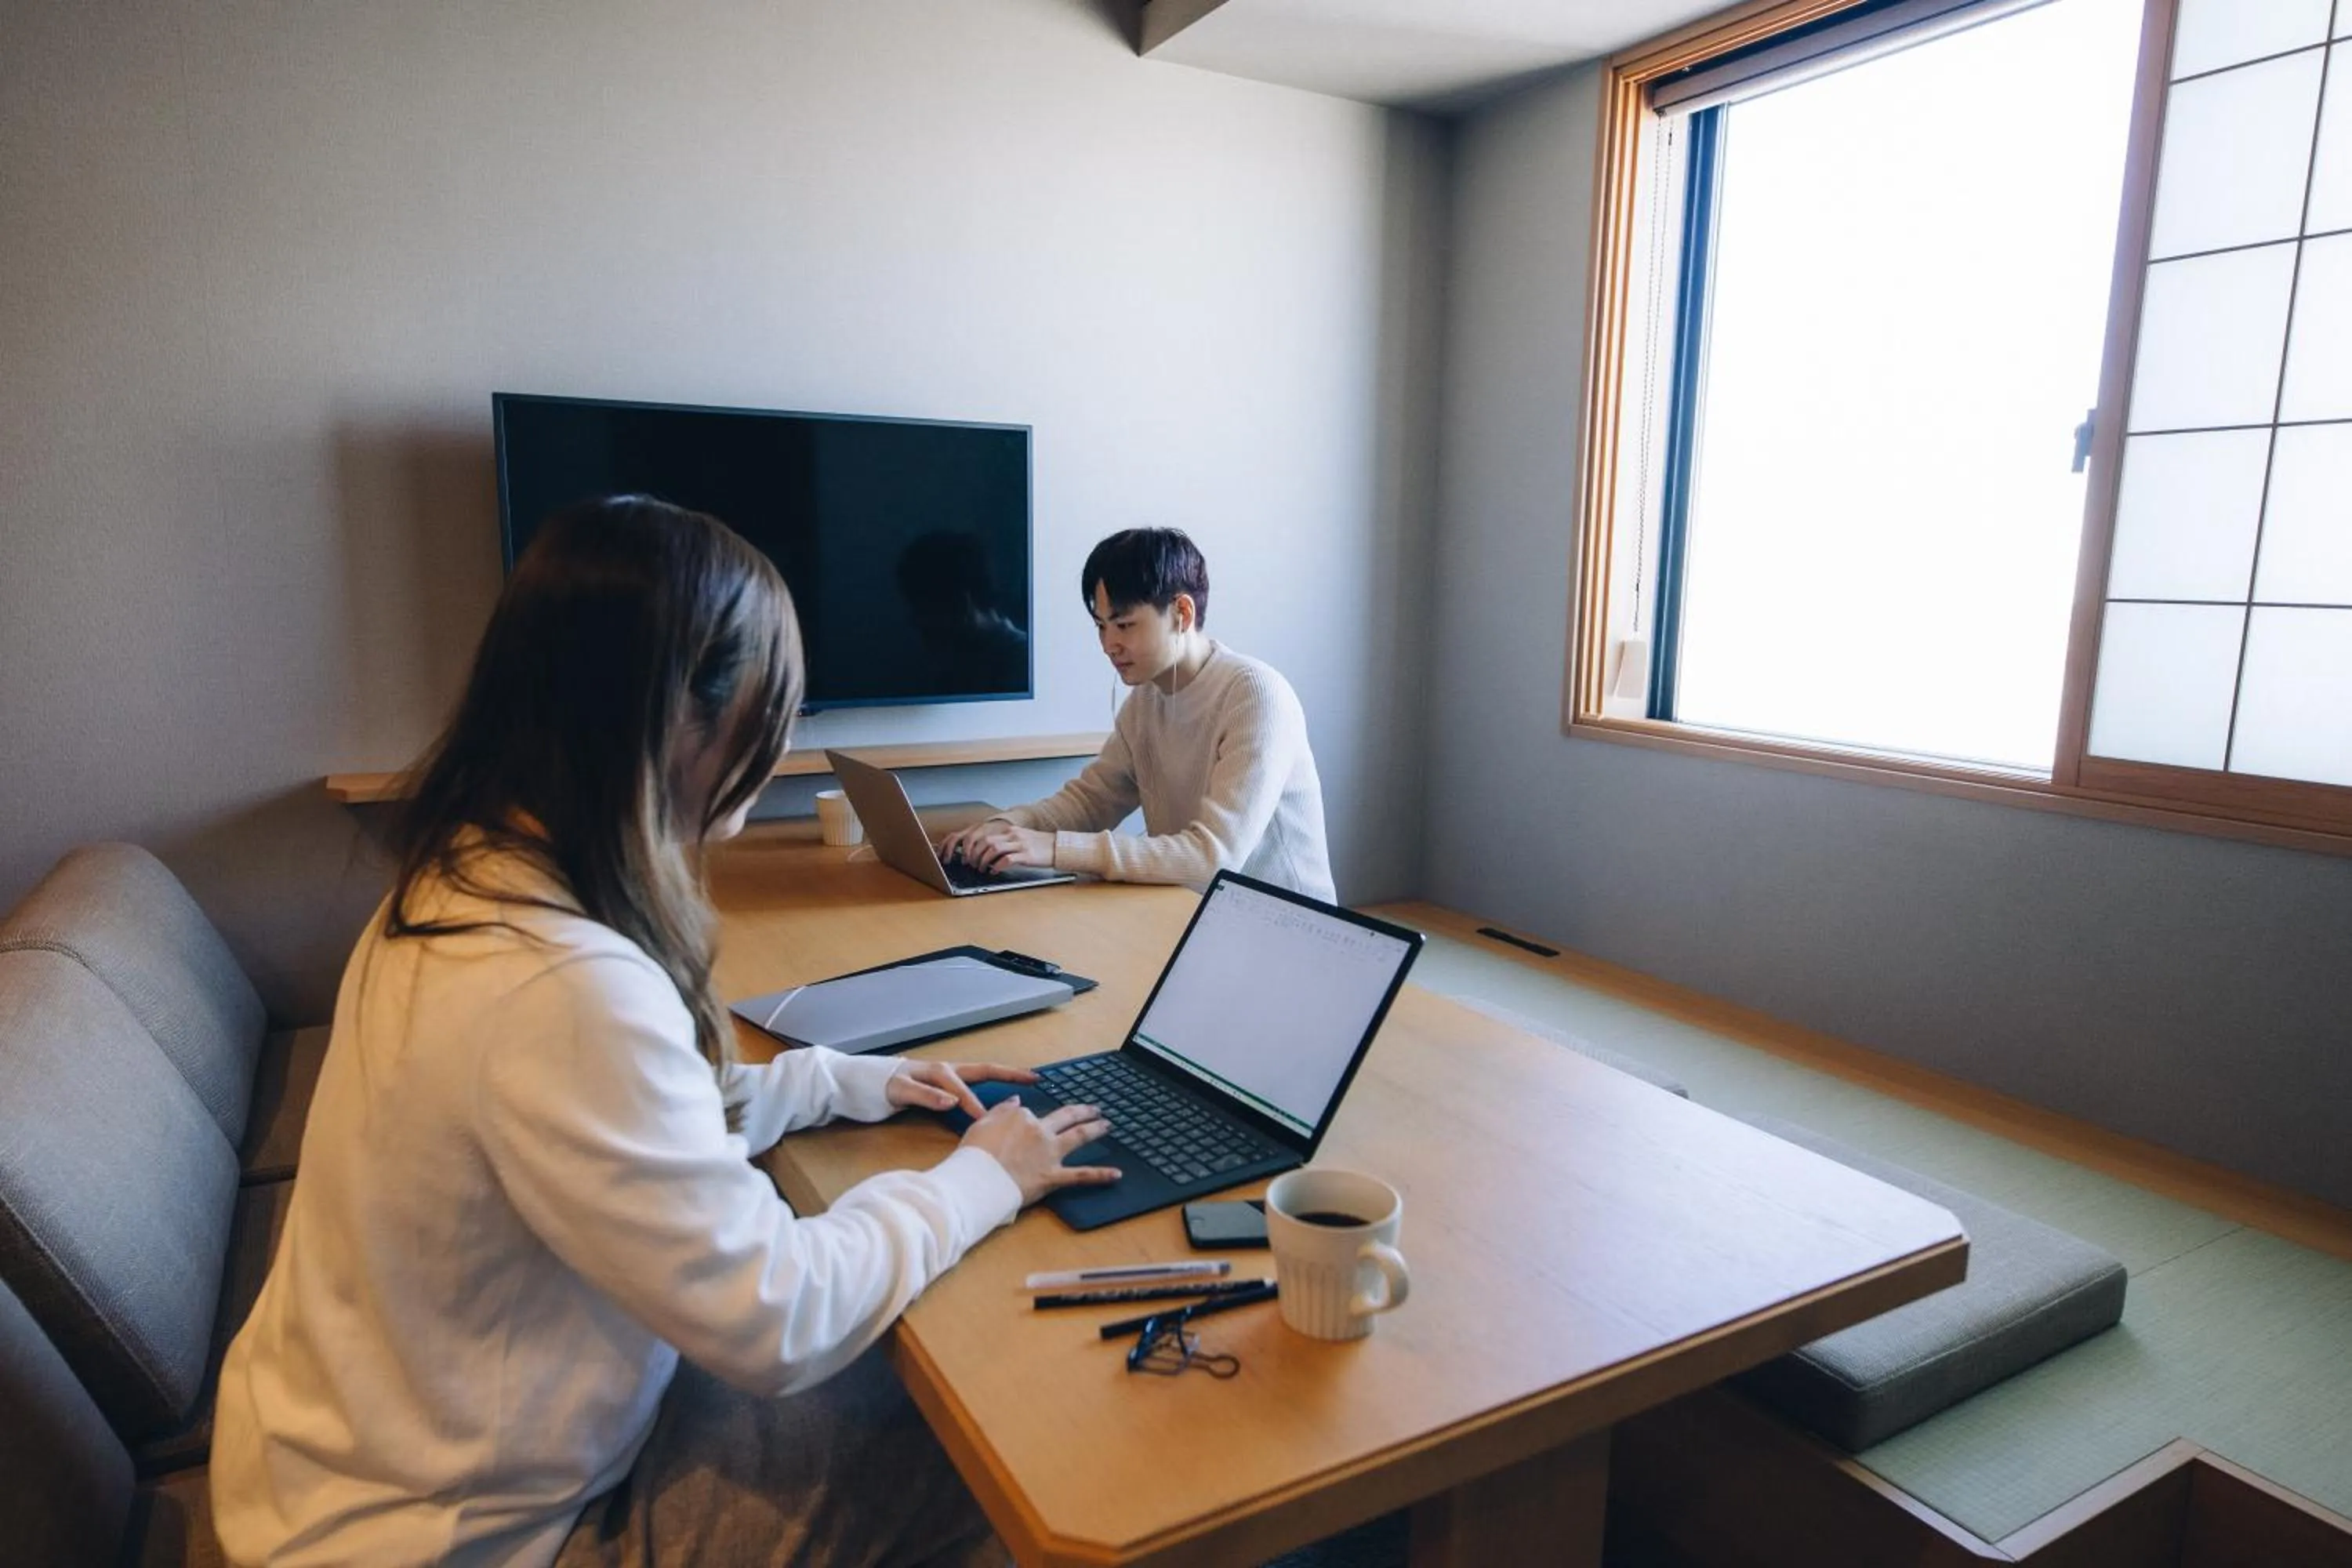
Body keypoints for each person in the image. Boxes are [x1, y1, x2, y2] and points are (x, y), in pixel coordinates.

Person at [210, 495, 1116, 1568]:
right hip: (450, 1538)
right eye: (775, 701)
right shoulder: (559, 987)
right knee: (1012, 1443)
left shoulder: (467, 881)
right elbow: (780, 1316)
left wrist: (851, 1082)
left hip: (342, 1464)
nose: (784, 730)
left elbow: (636, 1116)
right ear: (677, 711)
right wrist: (980, 1182)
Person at [938, 528, 1334, 902]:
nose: (1109, 645)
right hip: (1191, 912)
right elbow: (1089, 803)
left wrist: (1055, 849)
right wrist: (1009, 826)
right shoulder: (1146, 700)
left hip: (1286, 931)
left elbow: (1213, 859)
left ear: (1182, 612)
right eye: (1101, 626)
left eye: (1125, 625)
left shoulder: (1255, 695)